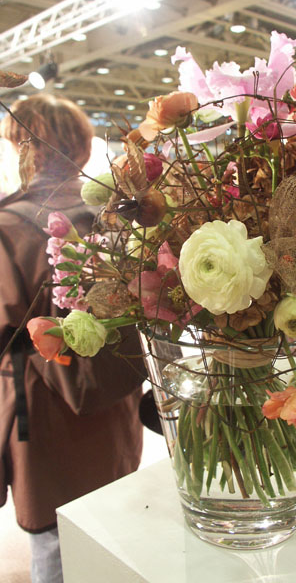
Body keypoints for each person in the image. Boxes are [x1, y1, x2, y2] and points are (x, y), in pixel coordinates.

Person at [0, 95, 145, 583]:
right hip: (114, 399)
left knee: (57, 543)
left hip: (45, 414)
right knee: (113, 529)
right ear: (81, 148)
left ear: (23, 147)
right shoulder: (115, 216)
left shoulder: (8, 226)